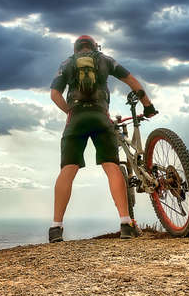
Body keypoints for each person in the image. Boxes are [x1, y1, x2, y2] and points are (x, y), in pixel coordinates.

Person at [49, 35, 156, 243]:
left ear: (75, 49)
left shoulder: (66, 63)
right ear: (94, 47)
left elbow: (54, 94)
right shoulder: (105, 59)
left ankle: (56, 228)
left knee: (68, 169)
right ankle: (126, 223)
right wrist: (147, 105)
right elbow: (132, 81)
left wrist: (69, 112)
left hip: (76, 119)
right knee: (111, 166)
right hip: (100, 116)